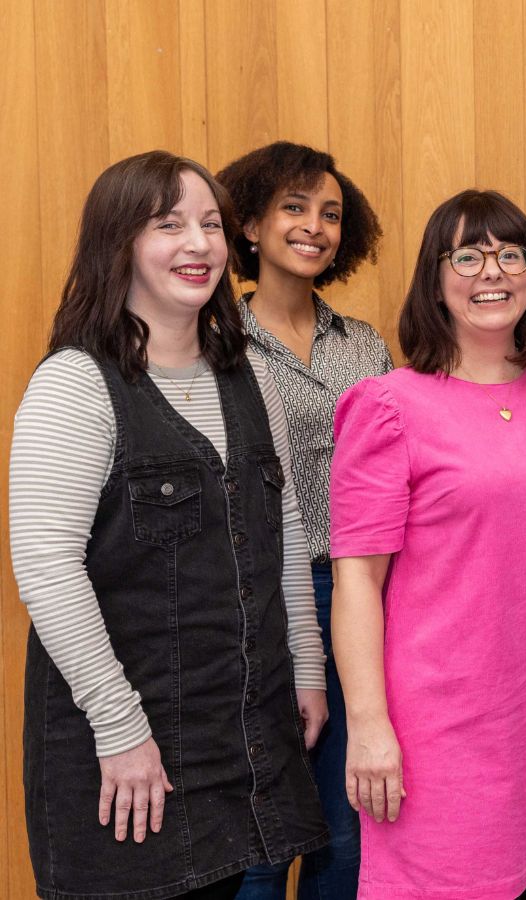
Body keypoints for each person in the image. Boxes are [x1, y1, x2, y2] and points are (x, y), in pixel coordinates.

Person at [11, 150, 327, 900]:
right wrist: (119, 728)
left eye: (211, 225)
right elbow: (46, 568)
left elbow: (280, 521)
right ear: (117, 243)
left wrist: (307, 665)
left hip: (241, 738)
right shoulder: (75, 382)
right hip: (122, 751)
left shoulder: (247, 373)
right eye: (168, 225)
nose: (199, 244)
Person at [329, 190, 526, 899]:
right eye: (467, 256)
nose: (491, 272)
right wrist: (370, 723)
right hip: (445, 725)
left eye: (510, 254)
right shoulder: (390, 405)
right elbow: (356, 580)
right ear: (435, 280)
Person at [218, 140, 391, 900]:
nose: (314, 226)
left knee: (347, 829)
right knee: (259, 828)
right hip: (253, 602)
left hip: (360, 597)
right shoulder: (212, 343)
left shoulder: (367, 347)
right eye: (294, 208)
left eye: (330, 214)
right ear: (249, 225)